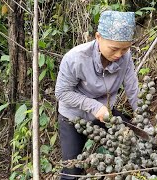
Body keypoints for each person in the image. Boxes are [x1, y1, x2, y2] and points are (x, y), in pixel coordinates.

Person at [55, 11, 139, 179]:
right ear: (98, 37)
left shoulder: (125, 57)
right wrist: (94, 106)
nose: (118, 55)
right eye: (114, 49)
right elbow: (62, 92)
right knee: (72, 171)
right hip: (73, 118)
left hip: (104, 115)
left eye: (125, 48)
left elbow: (132, 89)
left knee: (134, 143)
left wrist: (143, 116)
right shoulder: (75, 58)